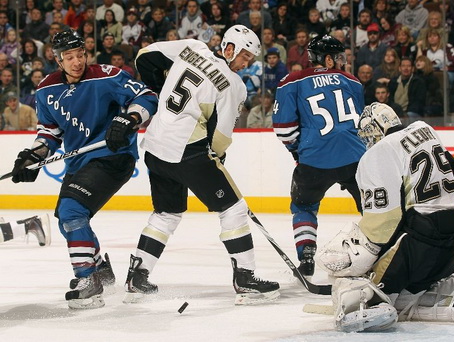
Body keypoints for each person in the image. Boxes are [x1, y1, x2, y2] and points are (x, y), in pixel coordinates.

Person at [125, 24, 280, 305]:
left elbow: (145, 56)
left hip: (156, 146)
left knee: (166, 213)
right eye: (245, 56)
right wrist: (217, 155)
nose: (246, 63)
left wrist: (162, 93)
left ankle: (137, 276)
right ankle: (245, 277)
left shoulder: (192, 48)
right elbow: (220, 136)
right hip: (187, 152)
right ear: (229, 48)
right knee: (234, 208)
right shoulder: (233, 85)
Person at [9, 29, 158, 309]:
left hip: (114, 156)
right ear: (58, 60)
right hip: (79, 162)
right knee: (67, 221)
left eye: (80, 55)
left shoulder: (107, 75)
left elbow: (148, 96)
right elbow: (50, 133)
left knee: (71, 211)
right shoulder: (45, 89)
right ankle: (100, 268)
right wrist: (32, 157)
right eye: (69, 57)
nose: (77, 62)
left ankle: (88, 280)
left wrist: (130, 118)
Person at [317, 102, 454, 331]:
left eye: (368, 134)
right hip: (453, 245)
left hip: (414, 251)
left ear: (376, 128)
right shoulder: (425, 129)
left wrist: (357, 261)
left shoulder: (379, 152)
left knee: (354, 279)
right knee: (407, 296)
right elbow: (453, 172)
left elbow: (382, 224)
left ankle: (369, 304)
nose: (368, 140)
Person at [272, 35, 366, 277]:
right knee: (372, 207)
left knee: (304, 206)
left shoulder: (290, 81)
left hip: (314, 160)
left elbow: (284, 129)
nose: (343, 62)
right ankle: (378, 254)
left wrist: (299, 151)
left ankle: (306, 256)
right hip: (356, 157)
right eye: (339, 57)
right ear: (326, 58)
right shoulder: (353, 81)